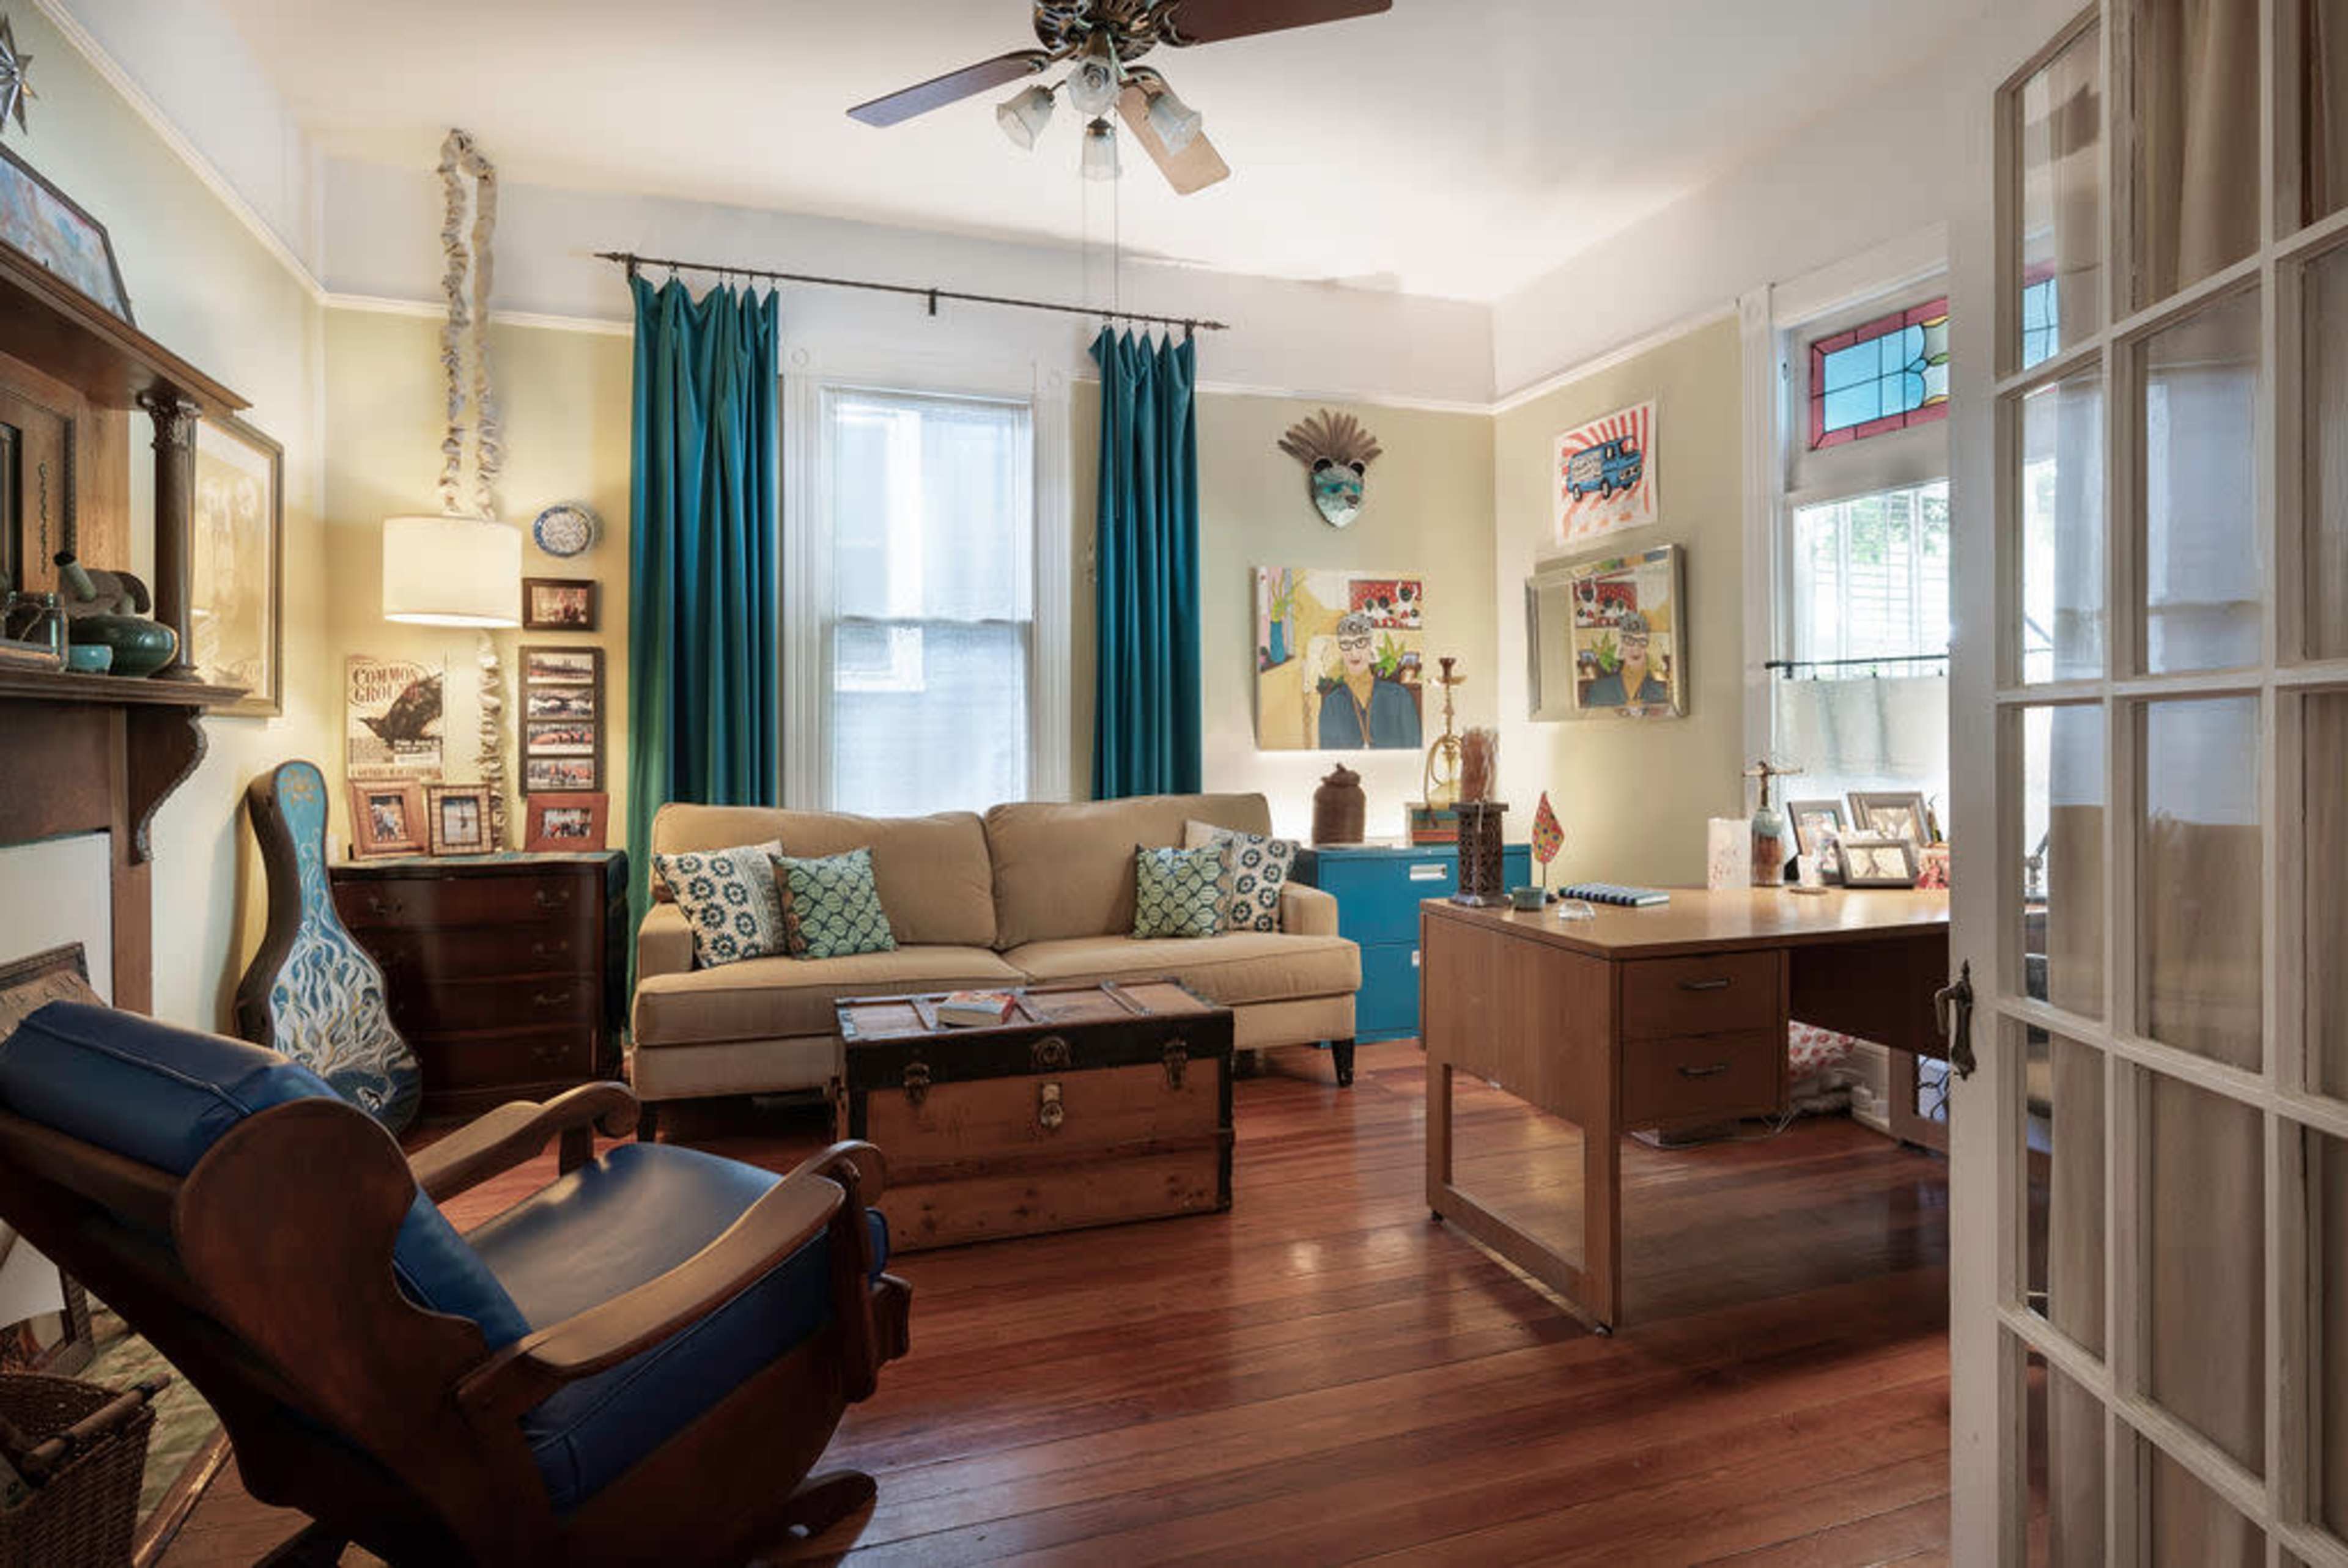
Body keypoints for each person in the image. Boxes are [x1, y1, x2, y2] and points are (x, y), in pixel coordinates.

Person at [1316, 611, 1422, 749]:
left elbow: (1415, 754)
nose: (1354, 652)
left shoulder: (1400, 696)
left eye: (1360, 642)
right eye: (1346, 644)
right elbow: (1328, 760)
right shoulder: (1332, 704)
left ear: (1371, 645)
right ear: (1340, 650)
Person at [1581, 609, 1672, 710]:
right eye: (1629, 641)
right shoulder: (1600, 689)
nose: (1636, 647)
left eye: (1642, 641)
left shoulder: (1657, 691)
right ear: (1621, 644)